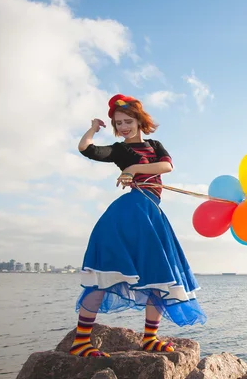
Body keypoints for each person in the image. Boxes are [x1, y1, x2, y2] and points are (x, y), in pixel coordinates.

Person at [70, 94, 206, 358]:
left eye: (127, 121)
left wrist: (132, 168)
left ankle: (150, 338)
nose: (122, 127)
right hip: (129, 214)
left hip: (151, 215)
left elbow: (167, 166)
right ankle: (81, 341)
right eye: (118, 123)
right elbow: (86, 149)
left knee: (158, 275)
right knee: (104, 274)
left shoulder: (154, 145)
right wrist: (93, 129)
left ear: (139, 121)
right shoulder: (118, 150)